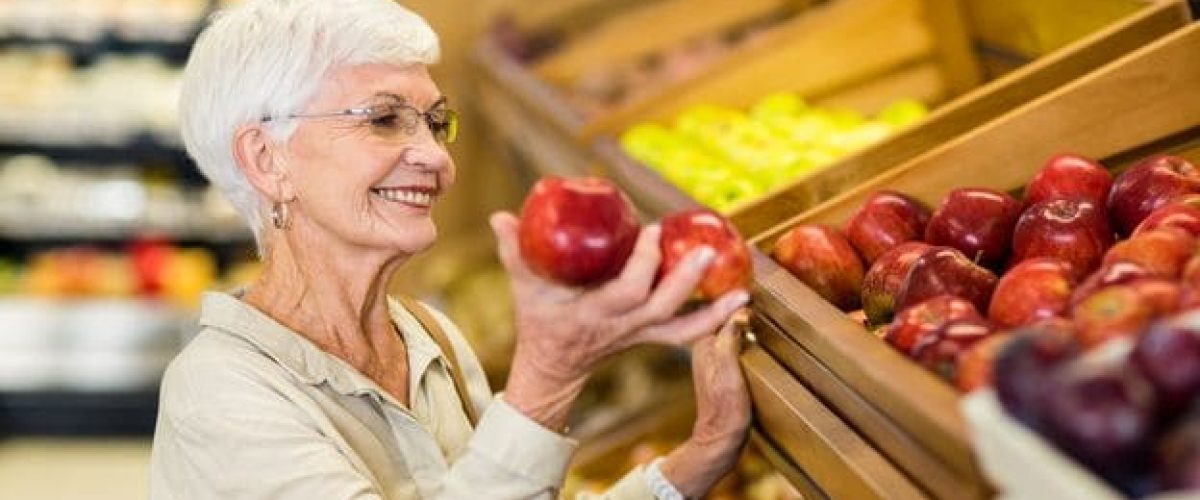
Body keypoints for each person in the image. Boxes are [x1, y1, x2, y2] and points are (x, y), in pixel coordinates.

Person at [148, 0, 751, 498]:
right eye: (384, 119)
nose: (437, 158)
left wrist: (701, 454)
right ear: (265, 159)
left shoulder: (427, 338)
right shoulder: (219, 396)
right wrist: (546, 382)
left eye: (436, 123)